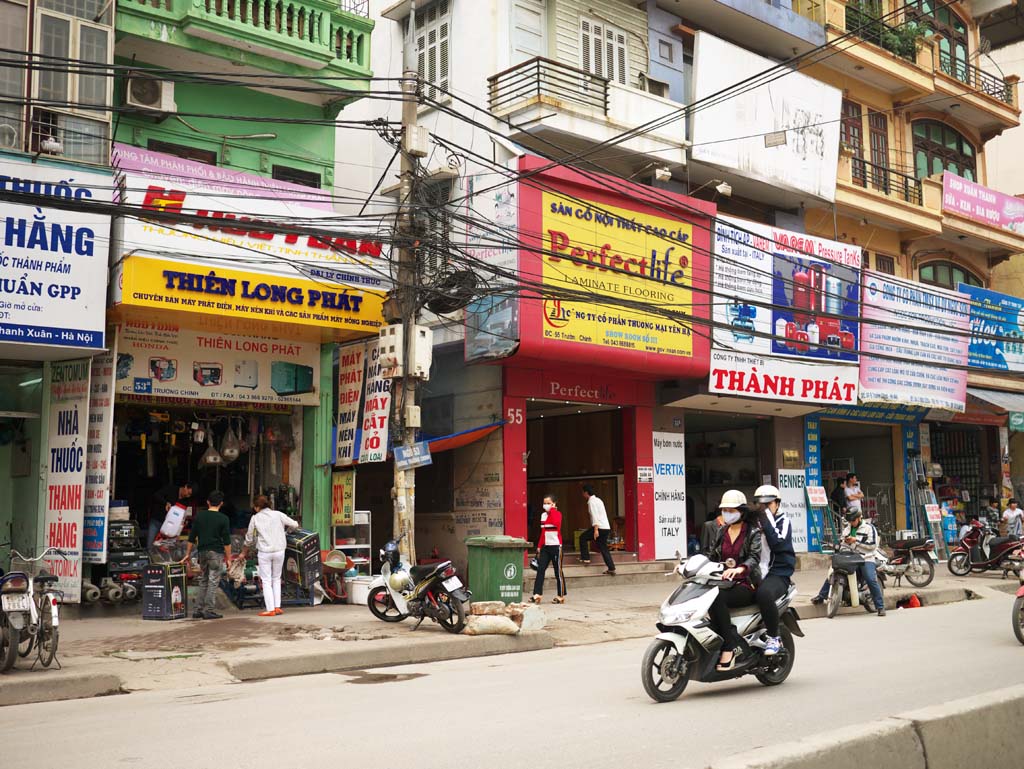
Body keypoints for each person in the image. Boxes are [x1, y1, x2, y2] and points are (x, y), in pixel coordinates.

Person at [705, 490, 762, 672]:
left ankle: (729, 647)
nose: (727, 513)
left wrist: (740, 568)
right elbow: (711, 555)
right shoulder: (722, 531)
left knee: (716, 597)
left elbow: (754, 558)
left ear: (741, 511)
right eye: (724, 510)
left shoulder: (752, 533)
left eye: (731, 510)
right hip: (723, 581)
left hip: (745, 584)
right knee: (704, 595)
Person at [812, 509, 885, 616]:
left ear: (859, 518)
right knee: (834, 572)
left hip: (866, 558)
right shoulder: (847, 529)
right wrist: (842, 544)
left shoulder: (869, 528)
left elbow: (872, 545)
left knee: (870, 579)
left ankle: (880, 607)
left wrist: (856, 541)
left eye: (853, 520)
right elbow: (842, 543)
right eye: (850, 521)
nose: (851, 523)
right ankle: (822, 596)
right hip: (850, 558)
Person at [238, 495, 298, 617]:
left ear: (257, 507)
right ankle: (277, 607)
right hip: (279, 550)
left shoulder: (255, 518)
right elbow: (295, 524)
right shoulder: (278, 514)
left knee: (266, 580)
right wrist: (287, 532)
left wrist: (244, 552)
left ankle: (270, 609)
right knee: (277, 578)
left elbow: (249, 538)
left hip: (265, 552)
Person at [753, 484, 795, 657]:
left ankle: (774, 637)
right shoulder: (753, 523)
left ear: (777, 504)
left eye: (768, 505)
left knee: (764, 594)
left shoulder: (783, 521)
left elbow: (778, 543)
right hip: (754, 572)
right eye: (760, 506)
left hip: (778, 574)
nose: (764, 509)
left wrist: (766, 519)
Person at [181, 490, 232, 620]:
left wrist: (187, 554)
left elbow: (191, 537)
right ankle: (209, 610)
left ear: (208, 502)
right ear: (221, 503)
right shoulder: (224, 519)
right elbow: (227, 541)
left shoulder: (199, 516)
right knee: (213, 581)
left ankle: (197, 610)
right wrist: (229, 558)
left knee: (203, 580)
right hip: (216, 553)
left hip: (202, 553)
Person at [530, 494, 566, 604]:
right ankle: (537, 594)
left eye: (548, 503)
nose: (546, 505)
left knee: (558, 572)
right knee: (540, 570)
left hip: (556, 546)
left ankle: (561, 595)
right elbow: (543, 532)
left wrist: (552, 511)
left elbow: (556, 524)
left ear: (554, 504)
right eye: (544, 503)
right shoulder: (543, 515)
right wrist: (539, 547)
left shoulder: (557, 514)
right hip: (545, 546)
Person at [579, 485, 616, 575]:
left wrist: (596, 530)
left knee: (582, 538)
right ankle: (611, 568)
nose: (582, 494)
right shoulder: (599, 500)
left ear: (586, 493)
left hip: (599, 527)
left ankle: (586, 558)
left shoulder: (591, 502)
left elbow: (595, 516)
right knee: (603, 548)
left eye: (583, 492)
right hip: (606, 527)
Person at [150, 480, 194, 546]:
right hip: (157, 521)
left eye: (190, 495)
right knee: (150, 545)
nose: (188, 496)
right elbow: (156, 495)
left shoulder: (186, 501)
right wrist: (165, 503)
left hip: (170, 528)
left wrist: (184, 522)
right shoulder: (171, 489)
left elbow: (185, 516)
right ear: (185, 487)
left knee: (164, 548)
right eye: (188, 493)